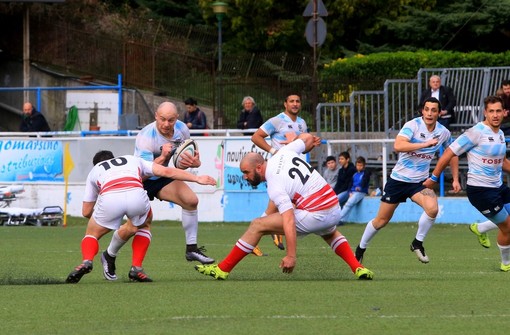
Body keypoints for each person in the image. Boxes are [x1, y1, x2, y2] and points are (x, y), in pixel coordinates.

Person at [194, 133, 374, 280]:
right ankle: (358, 268)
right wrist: (310, 143)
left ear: (258, 167)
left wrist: (291, 256)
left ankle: (222, 269)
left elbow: (288, 219)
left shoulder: (274, 183)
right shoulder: (284, 152)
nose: (245, 177)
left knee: (258, 224)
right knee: (328, 231)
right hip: (334, 208)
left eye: (246, 172)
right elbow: (307, 139)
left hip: (316, 213)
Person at [100, 101, 215, 282]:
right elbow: (147, 170)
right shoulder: (146, 137)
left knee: (191, 200)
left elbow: (187, 157)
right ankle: (109, 254)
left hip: (162, 177)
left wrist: (194, 163)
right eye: (162, 119)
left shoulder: (183, 130)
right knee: (134, 227)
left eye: (170, 120)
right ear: (156, 116)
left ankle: (191, 249)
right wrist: (162, 157)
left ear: (177, 118)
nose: (166, 124)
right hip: (140, 180)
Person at [65, 150, 217, 284]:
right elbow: (166, 172)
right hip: (136, 194)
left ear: (96, 164)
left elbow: (85, 211)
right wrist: (197, 179)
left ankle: (87, 261)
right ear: (114, 158)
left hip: (110, 198)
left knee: (92, 234)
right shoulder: (132, 159)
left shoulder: (95, 171)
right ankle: (136, 267)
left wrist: (101, 219)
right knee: (144, 225)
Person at [355, 97, 461, 264]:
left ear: (439, 113)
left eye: (434, 110)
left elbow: (452, 153)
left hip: (418, 184)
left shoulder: (443, 132)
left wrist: (455, 178)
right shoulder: (413, 125)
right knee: (381, 221)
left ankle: (417, 243)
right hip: (398, 181)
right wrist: (424, 144)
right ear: (422, 111)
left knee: (432, 209)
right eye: (427, 109)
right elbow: (398, 145)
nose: (430, 113)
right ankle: (360, 248)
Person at [424, 95, 510, 272]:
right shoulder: (476, 132)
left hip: (498, 186)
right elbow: (449, 152)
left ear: (504, 113)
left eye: (498, 111)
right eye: (491, 111)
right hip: (480, 191)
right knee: (508, 227)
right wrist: (434, 177)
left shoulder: (500, 134)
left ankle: (480, 228)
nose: (495, 115)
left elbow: (502, 161)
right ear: (485, 113)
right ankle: (506, 264)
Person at [251, 93, 320, 252]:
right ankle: (257, 240)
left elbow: (303, 148)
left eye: (297, 101)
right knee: (275, 207)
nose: (295, 104)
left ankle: (269, 234)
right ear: (285, 104)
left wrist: (311, 144)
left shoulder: (302, 123)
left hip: (293, 171)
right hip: (279, 169)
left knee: (282, 206)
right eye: (291, 101)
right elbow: (256, 137)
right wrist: (273, 150)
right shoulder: (277, 120)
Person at [337, 156, 371, 225]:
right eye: (358, 165)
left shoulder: (365, 173)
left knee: (348, 204)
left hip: (360, 192)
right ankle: (342, 220)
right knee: (349, 205)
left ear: (364, 166)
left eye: (361, 165)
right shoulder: (355, 174)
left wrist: (360, 187)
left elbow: (365, 181)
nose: (359, 167)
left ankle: (338, 219)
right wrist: (350, 192)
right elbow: (350, 184)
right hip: (353, 192)